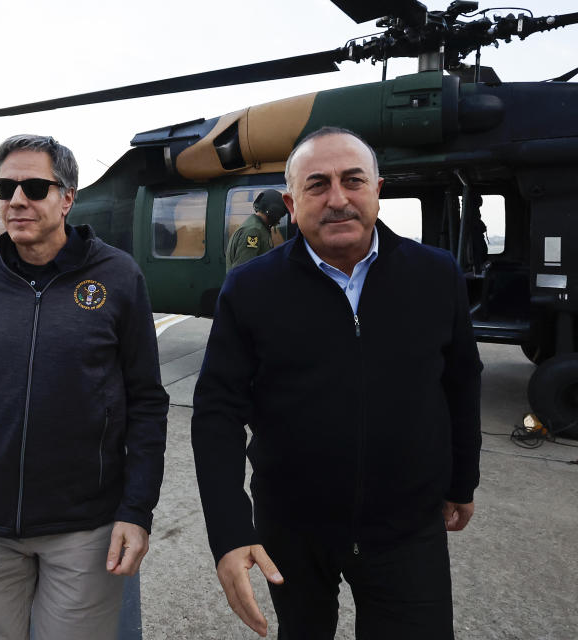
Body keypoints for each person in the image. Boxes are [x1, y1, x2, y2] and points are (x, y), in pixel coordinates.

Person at [191, 126, 482, 639]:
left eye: (353, 181)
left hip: (406, 529)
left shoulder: (436, 276)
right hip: (292, 528)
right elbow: (217, 410)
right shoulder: (251, 288)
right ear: (291, 200)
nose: (338, 199)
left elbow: (461, 381)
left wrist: (462, 480)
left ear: (378, 190)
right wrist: (230, 531)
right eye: (317, 184)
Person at [0, 134, 168, 640]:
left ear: (67, 198)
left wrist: (136, 511)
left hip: (83, 528)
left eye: (34, 186)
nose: (16, 200)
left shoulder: (118, 276)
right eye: (4, 187)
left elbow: (147, 400)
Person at [226, 189, 288, 271]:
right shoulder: (253, 231)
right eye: (280, 216)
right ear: (274, 212)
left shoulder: (259, 228)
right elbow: (244, 271)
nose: (279, 221)